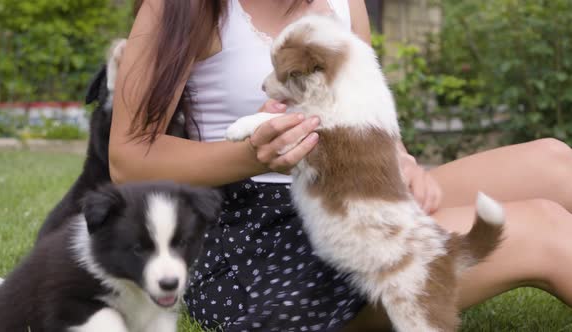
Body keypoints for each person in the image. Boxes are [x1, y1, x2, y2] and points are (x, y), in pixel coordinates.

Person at [110, 0, 572, 330]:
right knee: (541, 230)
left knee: (554, 161)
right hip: (255, 240)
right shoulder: (183, 7)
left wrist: (403, 162)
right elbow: (127, 161)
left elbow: (369, 119)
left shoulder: (346, 5)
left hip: (351, 186)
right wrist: (249, 155)